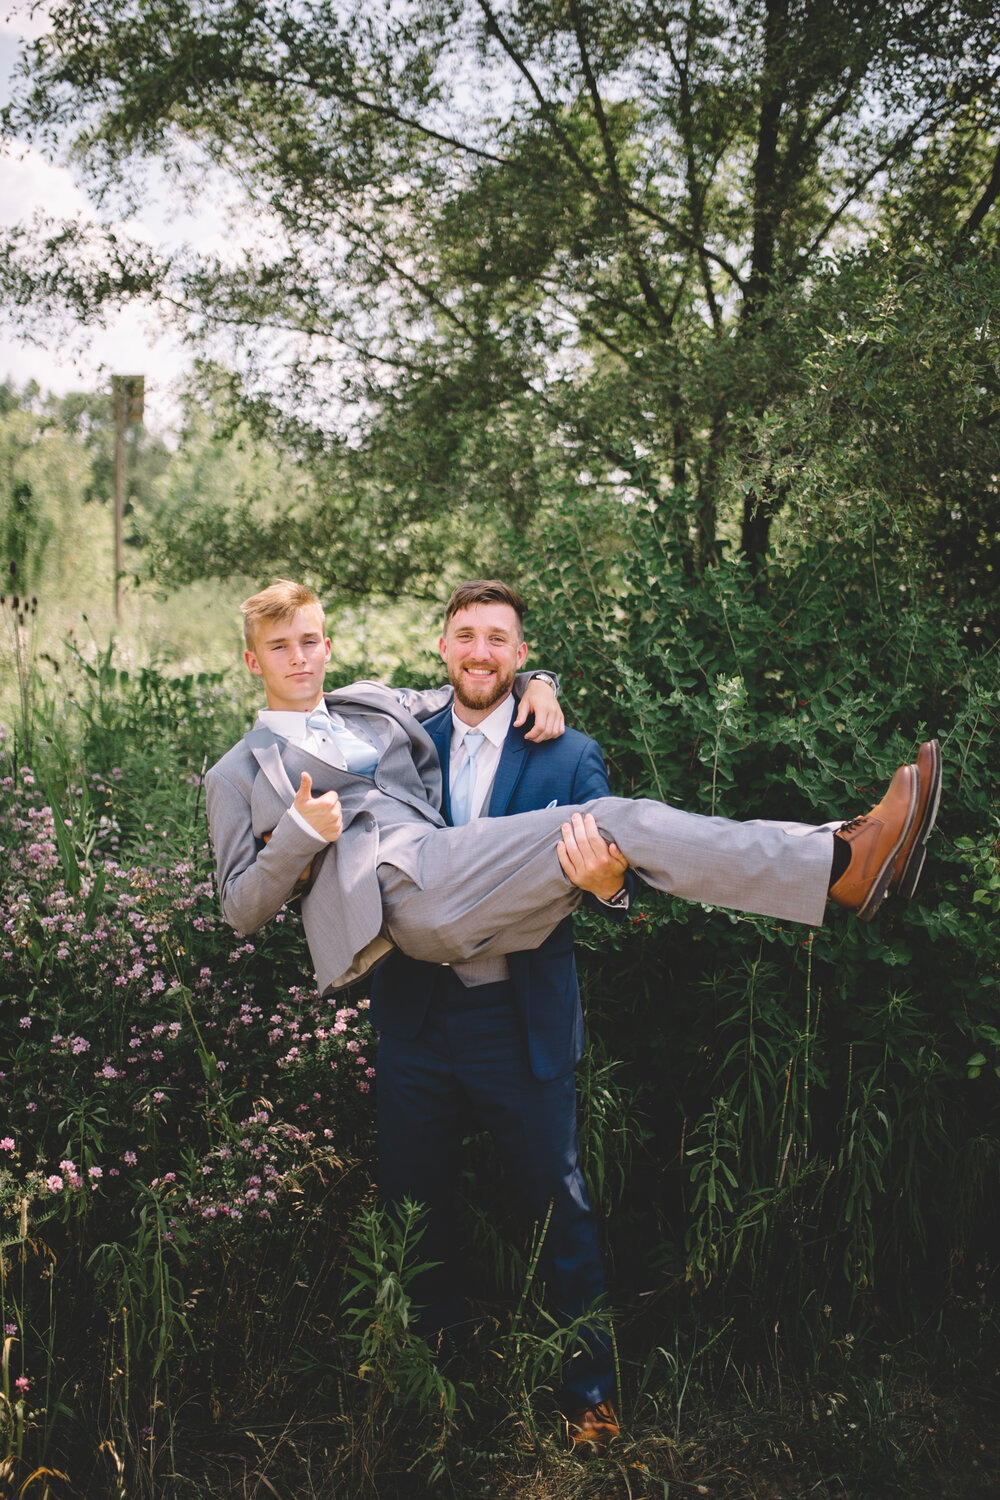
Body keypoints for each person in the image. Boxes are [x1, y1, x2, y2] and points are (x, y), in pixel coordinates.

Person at [206, 581, 941, 1002]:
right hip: (394, 898)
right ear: (252, 659)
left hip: (449, 863)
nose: (298, 658)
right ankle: (842, 863)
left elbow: (477, 677)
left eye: (308, 642)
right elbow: (239, 909)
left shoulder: (372, 703)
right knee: (612, 816)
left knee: (614, 829)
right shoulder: (236, 773)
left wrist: (539, 680)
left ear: (326, 645)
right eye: (278, 647)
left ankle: (841, 867)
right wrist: (299, 836)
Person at [368, 580, 631, 1452]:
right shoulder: (397, 745)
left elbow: (618, 886)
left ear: (521, 656)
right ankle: (431, 1386)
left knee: (561, 1206)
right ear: (441, 646)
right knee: (417, 1204)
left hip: (519, 1019)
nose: (480, 652)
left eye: (499, 640)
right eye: (465, 635)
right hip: (417, 1016)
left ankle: (588, 1390)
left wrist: (608, 886)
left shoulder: (568, 754)